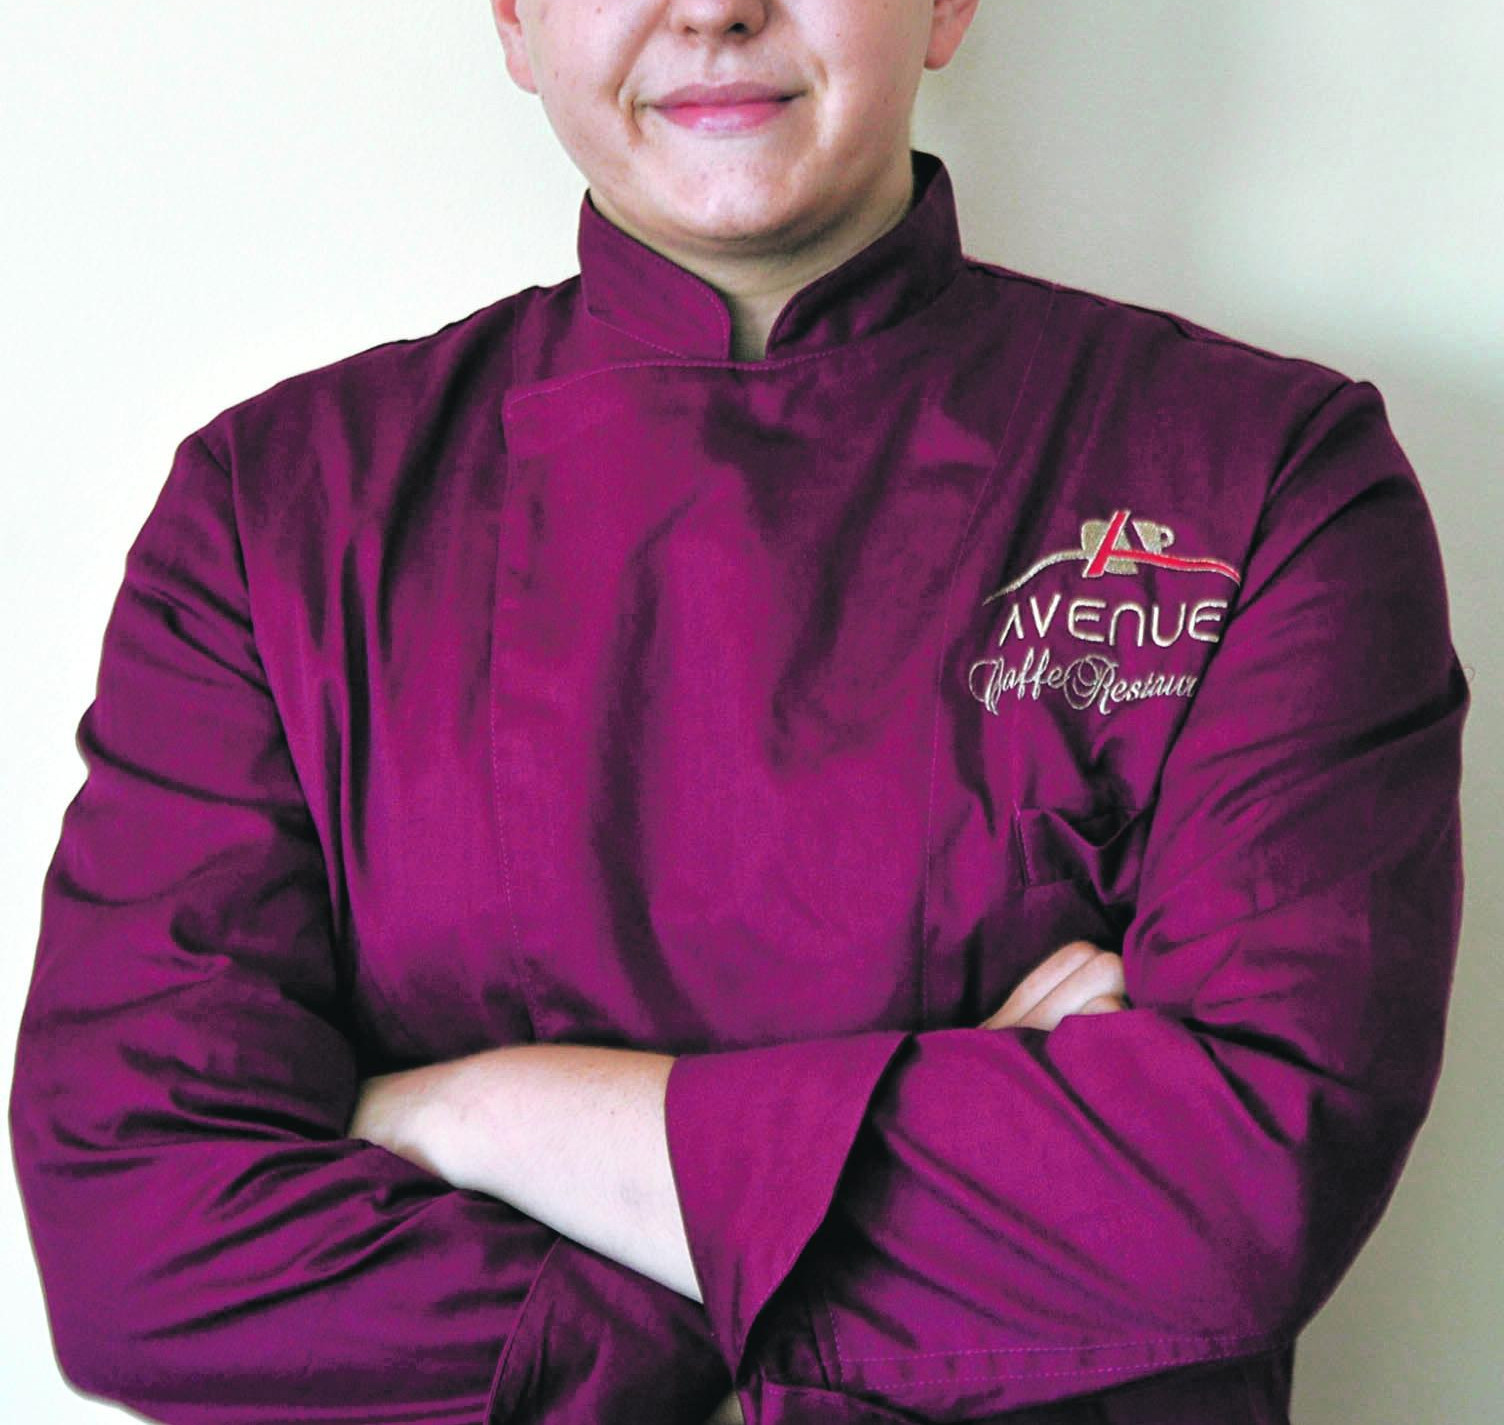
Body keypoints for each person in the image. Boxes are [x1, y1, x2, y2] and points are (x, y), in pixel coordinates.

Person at [8, 2, 1468, 1423]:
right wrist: (921, 1259)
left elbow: (1244, 1194)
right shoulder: (275, 520)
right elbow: (141, 1249)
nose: (715, 10)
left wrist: (487, 1118)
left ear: (947, 3)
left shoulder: (1268, 479)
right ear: (514, 19)